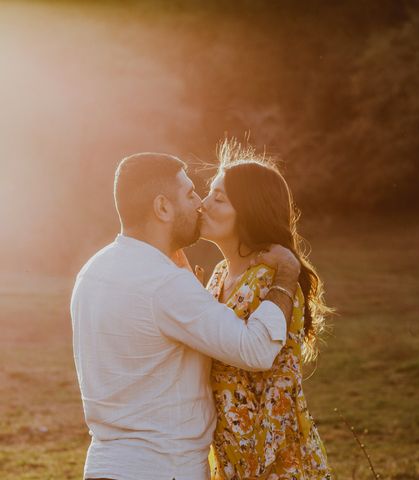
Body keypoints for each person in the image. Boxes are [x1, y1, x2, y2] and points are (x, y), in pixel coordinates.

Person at [70, 152, 301, 480]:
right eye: (191, 193)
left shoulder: (92, 271)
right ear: (163, 207)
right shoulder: (165, 283)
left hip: (104, 466)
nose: (199, 204)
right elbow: (257, 349)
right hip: (164, 468)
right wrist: (287, 275)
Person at [199, 141, 332, 479]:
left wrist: (255, 468)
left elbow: (282, 384)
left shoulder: (271, 279)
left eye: (218, 198)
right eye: (208, 194)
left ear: (249, 210)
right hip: (229, 454)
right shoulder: (217, 276)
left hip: (271, 461)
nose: (203, 205)